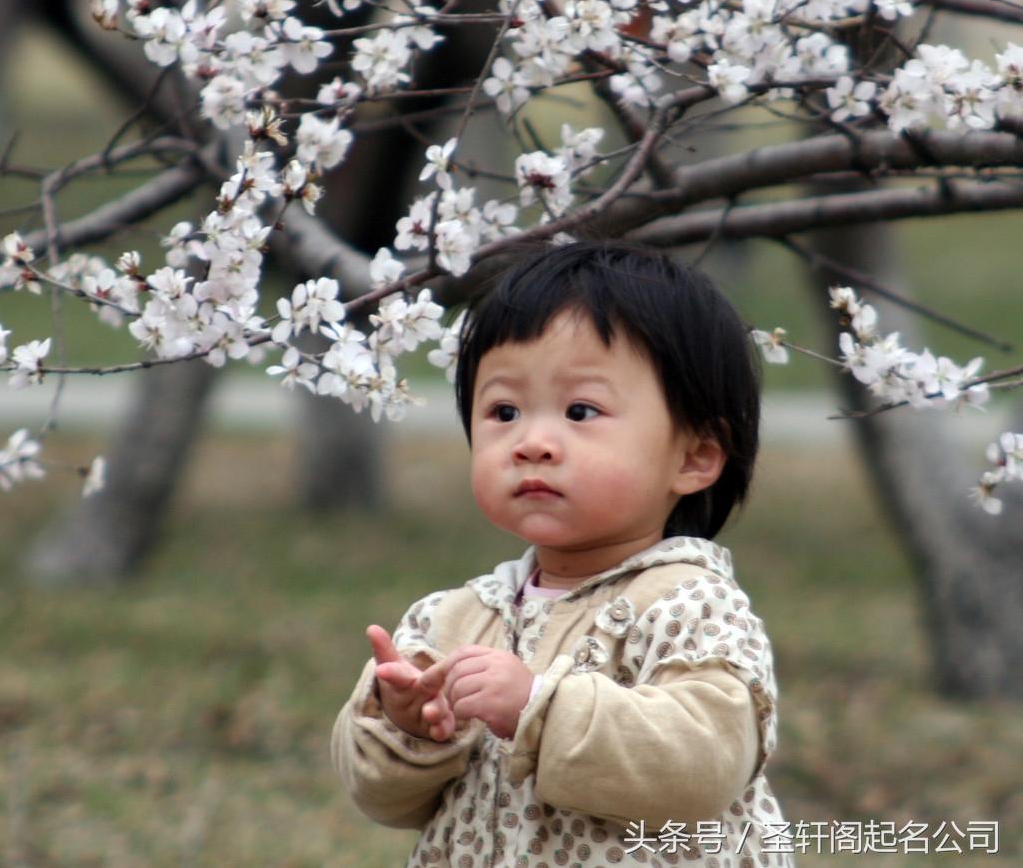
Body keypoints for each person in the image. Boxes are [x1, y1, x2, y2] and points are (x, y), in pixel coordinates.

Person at [331, 242, 792, 867]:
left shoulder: (690, 606)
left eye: (581, 410)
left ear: (694, 457)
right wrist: (407, 726)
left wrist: (536, 709)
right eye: (504, 411)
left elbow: (702, 768)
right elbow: (386, 803)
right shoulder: (451, 621)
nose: (533, 442)